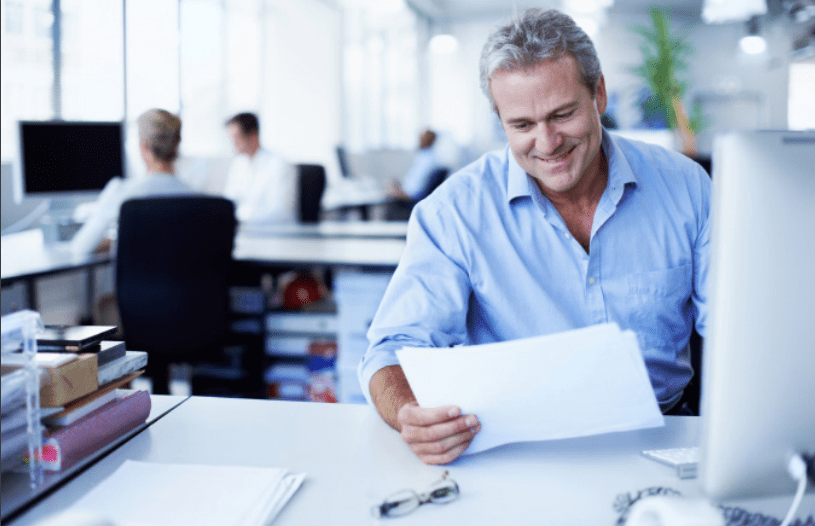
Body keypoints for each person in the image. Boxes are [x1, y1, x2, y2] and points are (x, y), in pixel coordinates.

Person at [358, 8, 710, 465]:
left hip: (663, 437)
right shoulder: (453, 212)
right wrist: (408, 412)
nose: (547, 144)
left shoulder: (686, 187)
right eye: (521, 126)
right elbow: (390, 350)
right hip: (509, 448)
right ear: (499, 119)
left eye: (562, 114)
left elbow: (740, 333)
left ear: (598, 93)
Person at [70, 108, 196, 256]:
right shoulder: (198, 198)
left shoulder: (121, 192)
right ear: (176, 145)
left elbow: (80, 248)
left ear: (143, 145)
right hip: (183, 279)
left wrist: (119, 242)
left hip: (136, 278)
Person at [223, 112, 297, 224]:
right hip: (245, 230)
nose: (233, 144)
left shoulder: (279, 165)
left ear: (253, 136)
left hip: (273, 234)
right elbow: (229, 203)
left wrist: (242, 219)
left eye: (236, 139)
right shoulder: (238, 165)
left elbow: (280, 213)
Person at [387, 129, 443, 202]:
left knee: (387, 191)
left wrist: (399, 192)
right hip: (408, 190)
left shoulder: (428, 160)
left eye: (422, 137)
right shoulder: (424, 155)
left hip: (410, 196)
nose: (419, 140)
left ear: (429, 140)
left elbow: (415, 189)